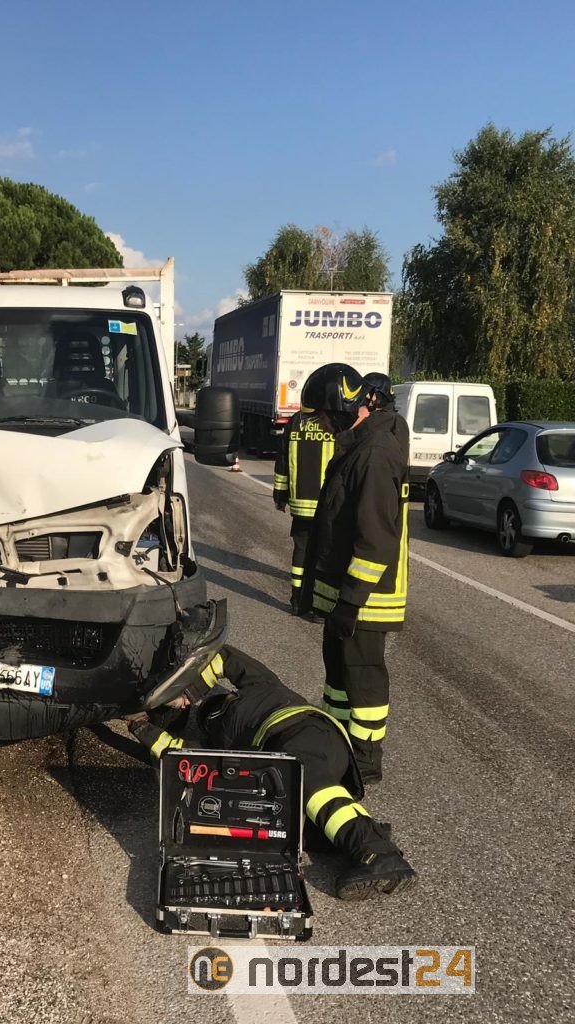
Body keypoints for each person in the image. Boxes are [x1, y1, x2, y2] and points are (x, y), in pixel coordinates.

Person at [127, 644, 417, 900]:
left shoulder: (248, 702)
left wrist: (183, 695)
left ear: (216, 712)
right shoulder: (261, 690)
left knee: (307, 781)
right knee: (283, 824)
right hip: (316, 746)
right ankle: (359, 830)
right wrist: (143, 725)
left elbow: (221, 656)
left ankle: (379, 853)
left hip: (303, 734)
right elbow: (187, 757)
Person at [301, 364, 410, 784]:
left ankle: (364, 760)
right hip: (346, 596)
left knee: (362, 676)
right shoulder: (359, 446)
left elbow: (375, 540)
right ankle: (337, 743)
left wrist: (351, 601)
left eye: (326, 416)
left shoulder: (376, 454)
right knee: (339, 674)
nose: (323, 425)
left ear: (347, 408)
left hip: (366, 599)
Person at [273, 369, 339, 614]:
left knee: (301, 551)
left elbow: (282, 463)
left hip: (300, 504)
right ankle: (319, 604)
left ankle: (297, 598)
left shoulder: (294, 423)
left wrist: (280, 495)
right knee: (324, 553)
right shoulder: (332, 423)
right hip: (327, 504)